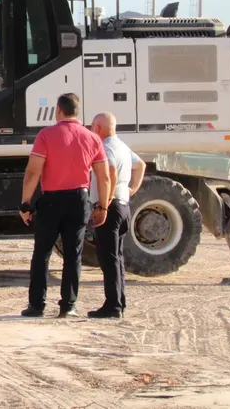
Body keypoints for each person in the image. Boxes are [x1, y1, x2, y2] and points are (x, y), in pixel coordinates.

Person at [18, 93, 110, 318]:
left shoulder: (46, 135)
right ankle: (68, 306)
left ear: (58, 110)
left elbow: (33, 172)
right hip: (80, 199)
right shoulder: (92, 138)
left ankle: (37, 305)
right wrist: (103, 206)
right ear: (77, 112)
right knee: (73, 254)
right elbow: (104, 176)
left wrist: (25, 204)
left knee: (42, 253)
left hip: (51, 200)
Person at [87, 112, 146, 318]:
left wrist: (104, 204)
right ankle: (119, 302)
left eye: (92, 126)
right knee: (117, 257)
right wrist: (131, 189)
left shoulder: (105, 147)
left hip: (110, 208)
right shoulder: (121, 145)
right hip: (124, 206)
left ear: (98, 128)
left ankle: (113, 306)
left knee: (108, 258)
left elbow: (110, 173)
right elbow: (140, 165)